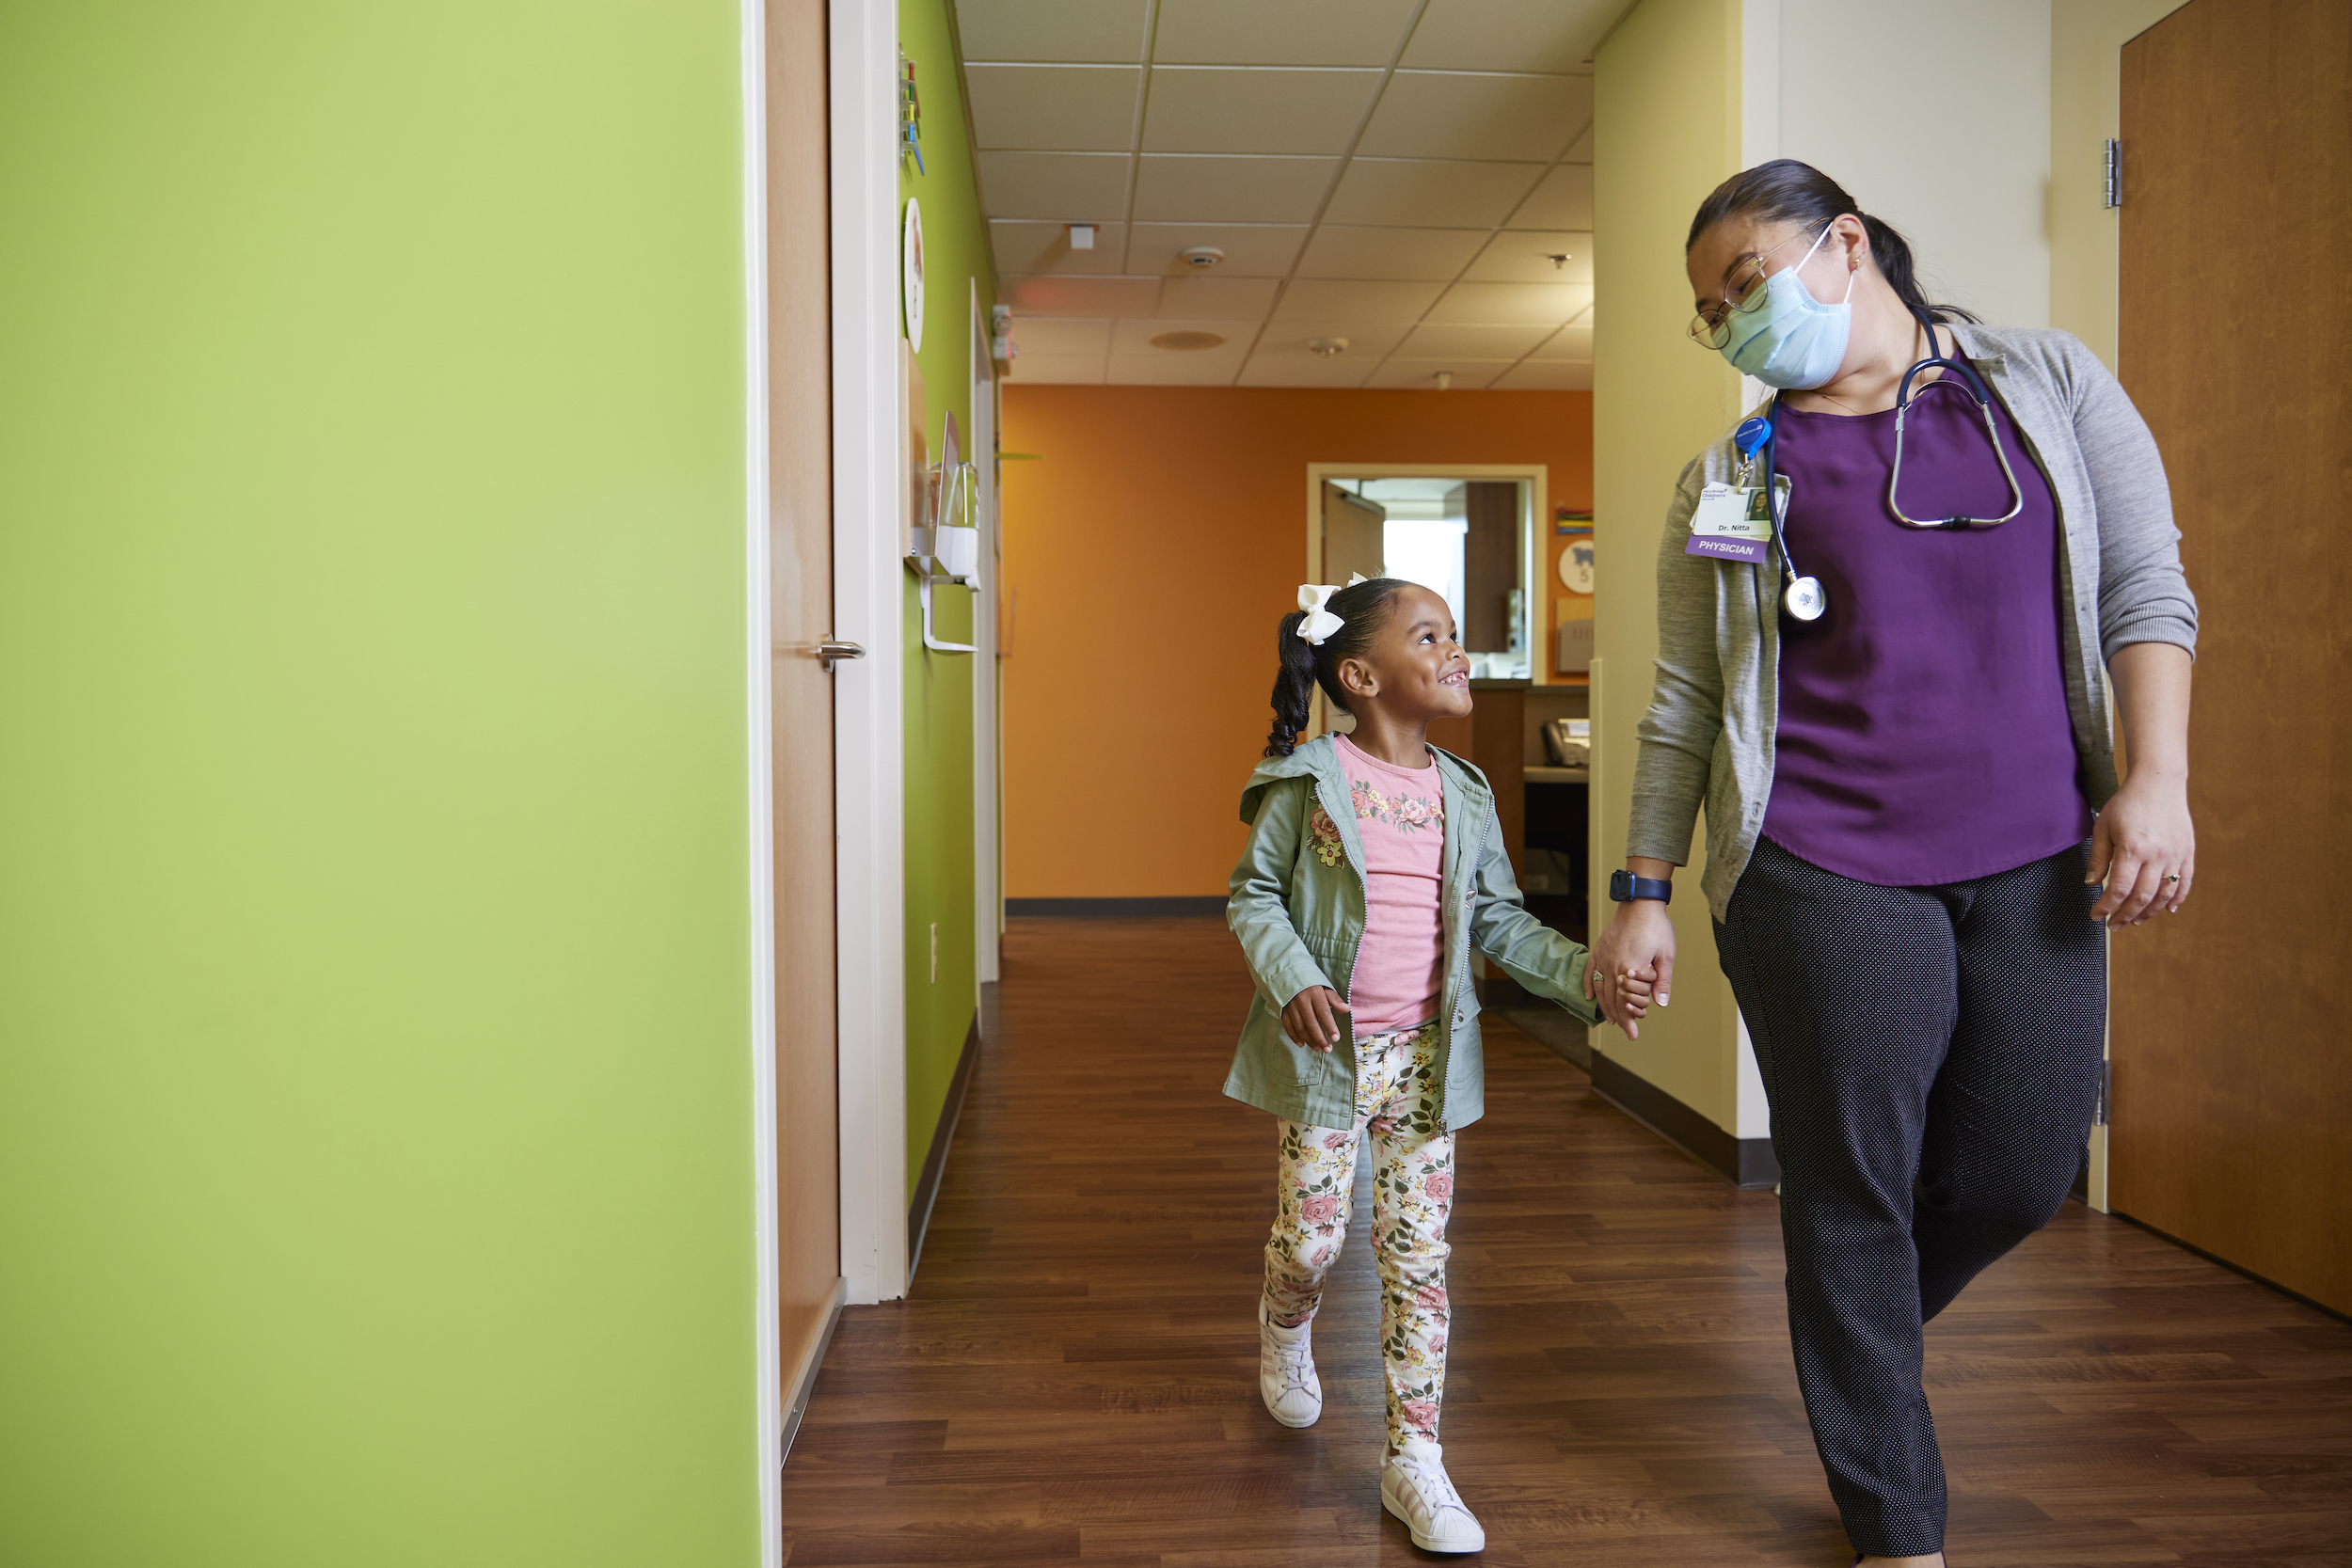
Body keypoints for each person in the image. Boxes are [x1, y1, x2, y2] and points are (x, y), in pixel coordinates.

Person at [1590, 160, 2199, 1568]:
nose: (1734, 318)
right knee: (1852, 1185)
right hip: (1818, 860)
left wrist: (2158, 781)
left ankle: (1849, 1332)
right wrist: (1638, 889)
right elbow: (1689, 696)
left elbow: (2143, 583)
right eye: (1711, 311)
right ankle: (1896, 1524)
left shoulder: (2041, 381)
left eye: (1745, 282)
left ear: (1845, 243)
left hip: (2041, 851)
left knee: (2022, 1165)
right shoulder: (1736, 472)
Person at [1226, 575, 1648, 1555]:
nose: (1457, 650)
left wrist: (1587, 974)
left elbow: (1496, 917)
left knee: (1418, 1261)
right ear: (1362, 674)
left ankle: (1413, 1456)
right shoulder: (1309, 778)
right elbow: (1253, 893)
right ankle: (1281, 1315)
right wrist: (1291, 975)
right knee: (1315, 1241)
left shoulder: (1464, 787)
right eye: (1432, 635)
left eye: (1455, 631)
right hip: (1328, 1056)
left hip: (1425, 1058)